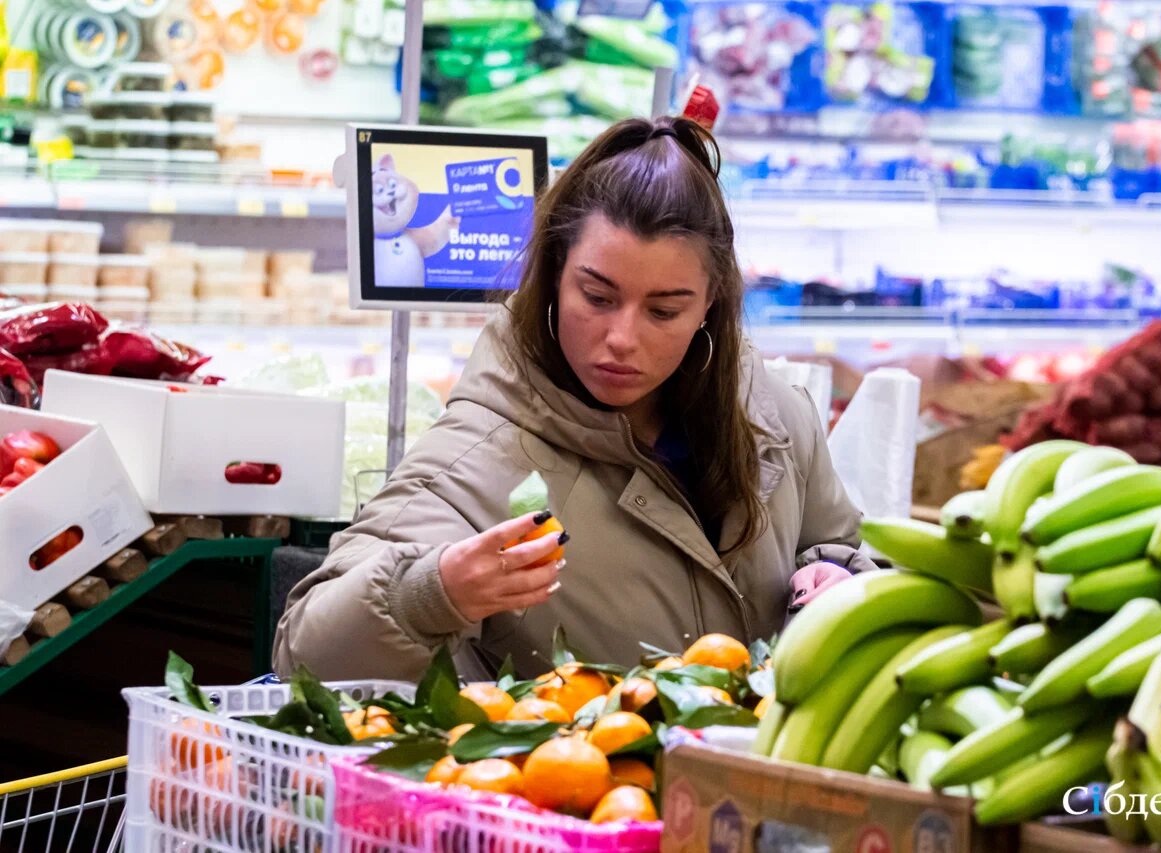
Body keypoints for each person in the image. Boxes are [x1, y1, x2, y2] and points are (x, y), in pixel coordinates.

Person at [274, 116, 875, 682]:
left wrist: (837, 580)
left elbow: (841, 547)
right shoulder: (483, 456)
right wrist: (433, 594)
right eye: (597, 296)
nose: (622, 339)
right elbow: (305, 651)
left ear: (711, 302)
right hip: (585, 786)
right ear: (555, 274)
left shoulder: (774, 416)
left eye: (665, 310)